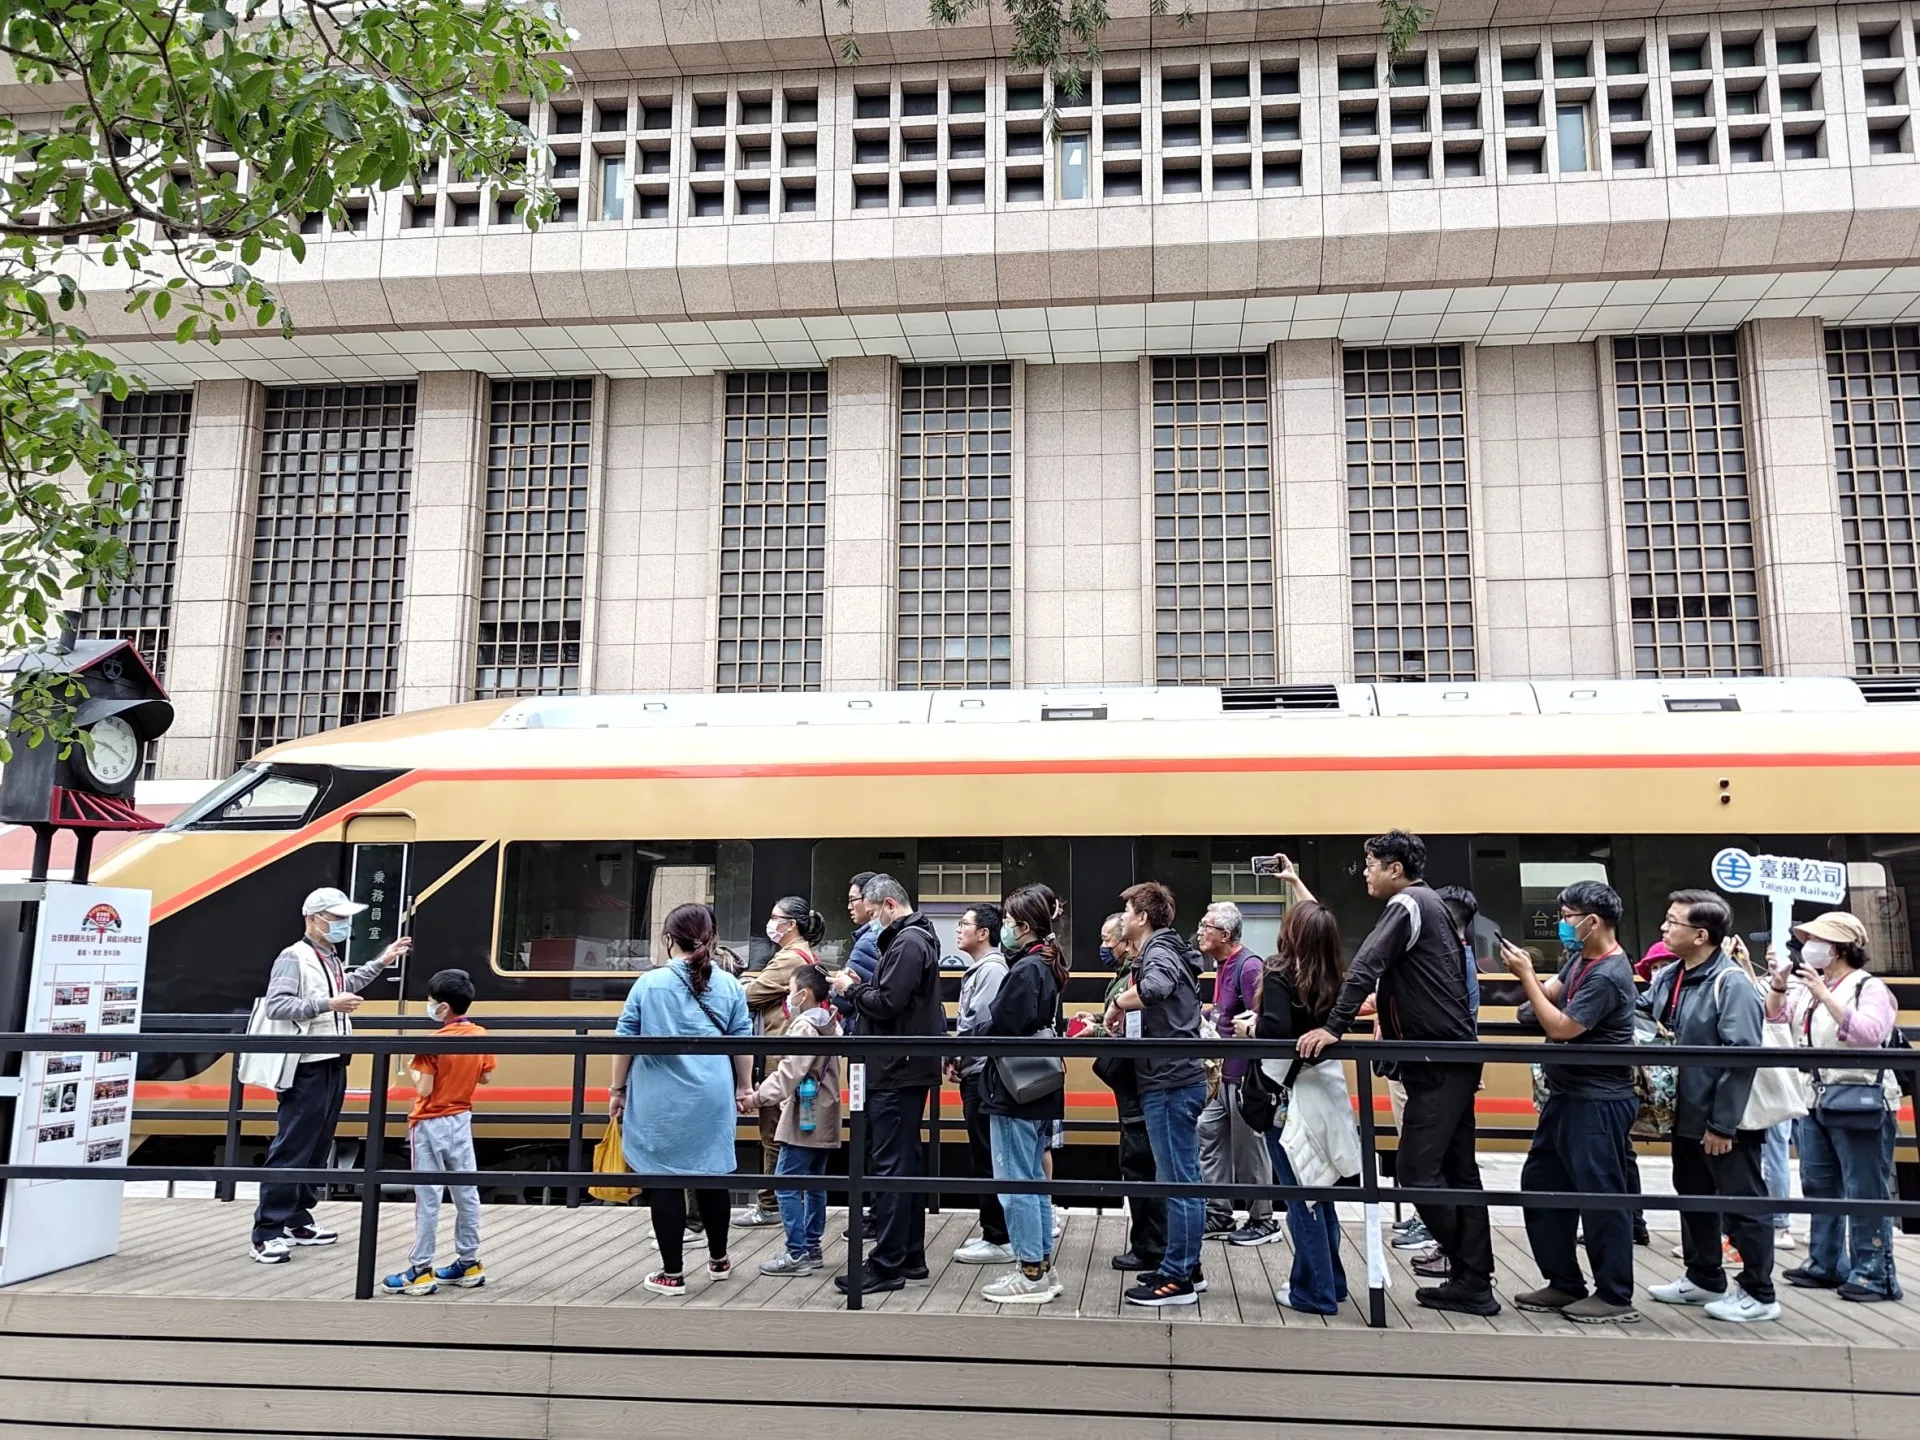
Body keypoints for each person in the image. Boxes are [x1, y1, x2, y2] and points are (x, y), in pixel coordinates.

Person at [1298, 830, 1494, 1316]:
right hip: (1453, 1058)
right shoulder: (1433, 906)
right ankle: (1473, 1280)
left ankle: (1470, 1270)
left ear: (1395, 868)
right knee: (1459, 1172)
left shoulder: (1407, 904)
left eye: (1371, 863)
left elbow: (1365, 965)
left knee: (1415, 1171)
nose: (1365, 871)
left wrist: (1332, 1027)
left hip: (1436, 1061)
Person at [1502, 881, 1641, 1324]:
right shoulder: (1581, 958)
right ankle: (1564, 1282)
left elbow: (1562, 1027)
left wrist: (1526, 978)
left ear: (1592, 921)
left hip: (1598, 1100)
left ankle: (1615, 1294)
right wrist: (1536, 993)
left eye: (1566, 915)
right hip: (1566, 1095)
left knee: (1600, 1196)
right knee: (1541, 1184)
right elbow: (1549, 996)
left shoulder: (1609, 974)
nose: (1561, 923)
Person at [250, 887, 411, 1264]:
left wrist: (381, 962)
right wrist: (328, 1004)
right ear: (313, 918)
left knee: (317, 1145)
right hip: (306, 1065)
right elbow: (277, 1005)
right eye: (336, 918)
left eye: (344, 918)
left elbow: (345, 987)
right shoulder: (294, 956)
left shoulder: (329, 957)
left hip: (332, 1060)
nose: (343, 925)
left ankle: (296, 1219)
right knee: (293, 1146)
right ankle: (266, 1231)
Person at [1644, 889, 1779, 1323]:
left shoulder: (1731, 981)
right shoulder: (1671, 976)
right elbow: (1647, 1016)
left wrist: (1723, 1124)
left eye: (1672, 922)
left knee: (1743, 1203)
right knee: (1693, 1195)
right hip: (1684, 1115)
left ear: (1701, 934)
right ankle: (1703, 1277)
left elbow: (1741, 1058)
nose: (1664, 928)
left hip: (1724, 1122)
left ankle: (1759, 1292)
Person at [608, 902, 753, 1297]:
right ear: (712, 938)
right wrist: (743, 1087)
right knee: (713, 1174)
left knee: (666, 1181)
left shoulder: (649, 984)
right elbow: (743, 1041)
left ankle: (672, 1274)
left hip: (662, 1098)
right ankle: (720, 1260)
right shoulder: (729, 984)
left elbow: (626, 1042)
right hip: (713, 1094)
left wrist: (617, 1091)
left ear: (669, 939)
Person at [1768, 912, 1904, 1303]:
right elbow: (1776, 1016)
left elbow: (1869, 1035)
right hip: (1815, 1097)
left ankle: (1874, 1272)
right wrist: (1779, 986)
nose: (1807, 947)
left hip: (1860, 1100)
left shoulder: (1867, 986)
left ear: (1839, 948)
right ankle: (1825, 1262)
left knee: (1864, 1188)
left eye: (1816, 940)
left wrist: (1825, 996)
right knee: (1819, 1183)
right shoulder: (1812, 985)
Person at [1235, 898, 1353, 1315]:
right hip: (1325, 1093)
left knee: (1302, 1197)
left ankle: (1315, 1292)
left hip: (1286, 1096)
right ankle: (1331, 1282)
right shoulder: (1335, 976)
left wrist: (1252, 1027)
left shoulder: (1279, 971)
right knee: (1321, 1190)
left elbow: (1277, 1030)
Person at [830, 874, 943, 1297]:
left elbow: (889, 1002)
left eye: (874, 911)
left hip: (896, 1068)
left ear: (890, 905)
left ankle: (887, 1263)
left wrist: (852, 989)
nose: (871, 919)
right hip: (907, 1066)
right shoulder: (918, 939)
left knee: (890, 1166)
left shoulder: (908, 943)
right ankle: (910, 1255)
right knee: (905, 1163)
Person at [1107, 880, 1208, 1308]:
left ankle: (1177, 1278)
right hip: (1174, 1078)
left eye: (1128, 911)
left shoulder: (1159, 952)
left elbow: (1155, 989)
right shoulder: (1169, 949)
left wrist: (1117, 1004)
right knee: (1184, 1178)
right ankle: (1187, 1264)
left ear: (1142, 918)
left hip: (1168, 1081)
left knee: (1178, 1181)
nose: (1124, 919)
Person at [977, 884, 1071, 1304]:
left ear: (1025, 926)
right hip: (1040, 1088)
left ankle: (1029, 1271)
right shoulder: (1046, 966)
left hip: (1014, 1090)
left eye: (1010, 922)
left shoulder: (1024, 970)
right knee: (1032, 1177)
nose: (1005, 929)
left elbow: (1001, 1026)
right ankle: (1041, 1267)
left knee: (1014, 1180)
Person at [383, 968, 496, 1296]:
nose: (428, 1006)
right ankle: (469, 1261)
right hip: (461, 1118)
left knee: (428, 1198)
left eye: (431, 1002)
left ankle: (420, 1269)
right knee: (466, 1192)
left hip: (430, 1121)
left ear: (443, 1008)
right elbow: (485, 1078)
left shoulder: (431, 1044)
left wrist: (414, 1072)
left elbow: (427, 1087)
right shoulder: (480, 1035)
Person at [738, 896, 826, 1229]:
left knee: (773, 1133)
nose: (770, 923)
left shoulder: (790, 958)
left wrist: (746, 982)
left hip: (780, 1057)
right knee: (795, 1130)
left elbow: (749, 994)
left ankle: (770, 1203)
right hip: (795, 1058)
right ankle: (784, 1201)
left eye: (775, 918)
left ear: (790, 925)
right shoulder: (805, 954)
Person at [1196, 901, 1278, 1247]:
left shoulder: (1248, 967)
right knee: (1208, 1133)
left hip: (1242, 1075)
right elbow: (1226, 1010)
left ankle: (1263, 1219)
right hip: (1221, 1073)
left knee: (1249, 1148)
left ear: (1225, 935)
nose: (1199, 931)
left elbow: (1261, 1017)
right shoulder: (1222, 965)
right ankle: (1219, 1210)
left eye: (1206, 926)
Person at [753, 962, 843, 1276]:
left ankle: (796, 1252)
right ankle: (813, 1248)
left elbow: (789, 1072)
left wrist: (757, 1097)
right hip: (826, 1111)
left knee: (785, 1183)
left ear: (803, 994)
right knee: (815, 1184)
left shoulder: (805, 1026)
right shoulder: (830, 1023)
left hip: (805, 1114)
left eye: (790, 992)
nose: (788, 998)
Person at [1091, 913, 1166, 1275]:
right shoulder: (1131, 973)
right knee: (1138, 1162)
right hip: (1135, 1082)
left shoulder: (1136, 977)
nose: (1105, 947)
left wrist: (1103, 1029)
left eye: (1109, 940)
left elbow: (1130, 1030)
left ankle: (1150, 1248)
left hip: (1137, 1082)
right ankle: (1148, 1245)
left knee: (1139, 1164)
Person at [948, 901, 1012, 1265]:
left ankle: (999, 1237)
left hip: (982, 1074)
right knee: (983, 1152)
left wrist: (958, 1055)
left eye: (964, 924)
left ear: (983, 933)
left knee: (987, 1154)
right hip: (975, 1070)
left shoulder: (990, 970)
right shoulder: (983, 969)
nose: (959, 929)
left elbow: (979, 1025)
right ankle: (993, 1231)